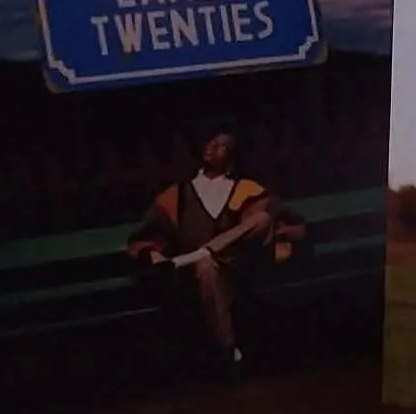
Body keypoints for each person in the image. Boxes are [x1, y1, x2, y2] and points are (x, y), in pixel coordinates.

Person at [125, 118, 304, 378]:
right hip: (194, 278)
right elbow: (144, 237)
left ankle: (205, 251)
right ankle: (229, 352)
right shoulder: (179, 195)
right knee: (207, 267)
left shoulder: (244, 188)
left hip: (241, 267)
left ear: (230, 154)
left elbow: (282, 221)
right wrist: (152, 255)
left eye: (221, 145)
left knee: (262, 218)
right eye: (211, 141)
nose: (213, 147)